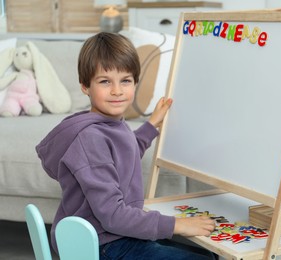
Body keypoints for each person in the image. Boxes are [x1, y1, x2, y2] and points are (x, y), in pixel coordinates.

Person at [36, 32, 216, 259]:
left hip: (115, 234)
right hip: (103, 244)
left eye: (125, 81)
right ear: (85, 86)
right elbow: (112, 215)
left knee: (206, 254)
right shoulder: (91, 137)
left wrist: (151, 125)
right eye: (105, 81)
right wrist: (176, 225)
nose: (117, 91)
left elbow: (125, 153)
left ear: (135, 82)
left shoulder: (110, 125)